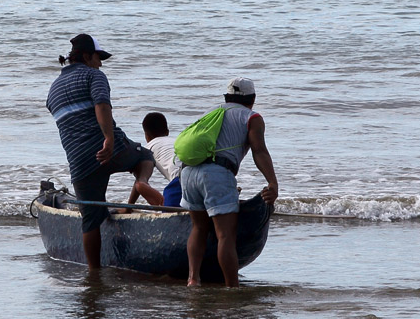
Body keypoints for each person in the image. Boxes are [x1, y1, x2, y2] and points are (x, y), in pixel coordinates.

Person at [45, 33, 164, 269]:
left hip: (79, 161)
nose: (100, 63)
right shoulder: (94, 75)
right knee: (144, 155)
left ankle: (93, 272)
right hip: (110, 149)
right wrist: (108, 139)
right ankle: (141, 183)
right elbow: (101, 105)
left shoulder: (53, 89)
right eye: (98, 58)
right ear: (87, 56)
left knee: (90, 218)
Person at [180, 77, 278, 287]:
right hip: (216, 173)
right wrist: (272, 182)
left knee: (198, 228)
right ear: (253, 98)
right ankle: (232, 287)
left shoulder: (211, 113)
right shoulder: (252, 117)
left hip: (188, 173)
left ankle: (193, 280)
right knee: (225, 235)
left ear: (227, 97)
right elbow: (259, 151)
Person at [137, 112, 182, 207]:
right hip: (203, 173)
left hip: (180, 180)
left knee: (171, 211)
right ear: (167, 132)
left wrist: (129, 207)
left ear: (146, 136)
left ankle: (163, 204)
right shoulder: (176, 141)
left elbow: (141, 178)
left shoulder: (148, 149)